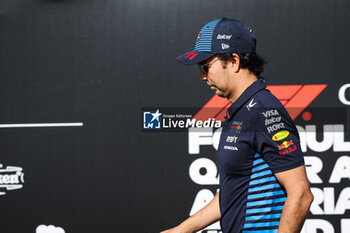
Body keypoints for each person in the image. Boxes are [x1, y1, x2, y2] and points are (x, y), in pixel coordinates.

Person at [161, 18, 313, 233]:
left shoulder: (263, 110)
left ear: (234, 61)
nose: (202, 77)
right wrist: (180, 230)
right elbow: (233, 191)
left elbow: (301, 194)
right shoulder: (242, 111)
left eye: (205, 66)